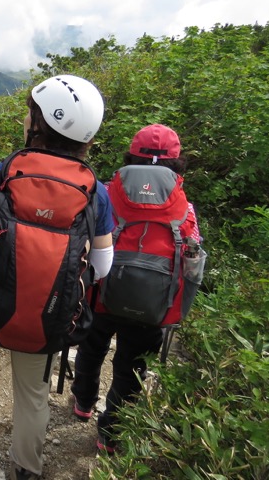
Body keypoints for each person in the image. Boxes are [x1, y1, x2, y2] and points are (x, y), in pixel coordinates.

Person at [0, 75, 115, 480]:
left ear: (41, 123)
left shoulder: (2, 172)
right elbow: (101, 267)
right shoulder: (95, 193)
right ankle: (26, 466)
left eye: (31, 111)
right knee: (33, 393)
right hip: (48, 315)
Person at [70, 123, 201, 454]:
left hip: (101, 294)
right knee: (132, 367)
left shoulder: (104, 191)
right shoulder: (185, 209)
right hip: (153, 306)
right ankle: (110, 435)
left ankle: (83, 402)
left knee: (91, 347)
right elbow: (192, 252)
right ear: (176, 163)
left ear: (131, 155)